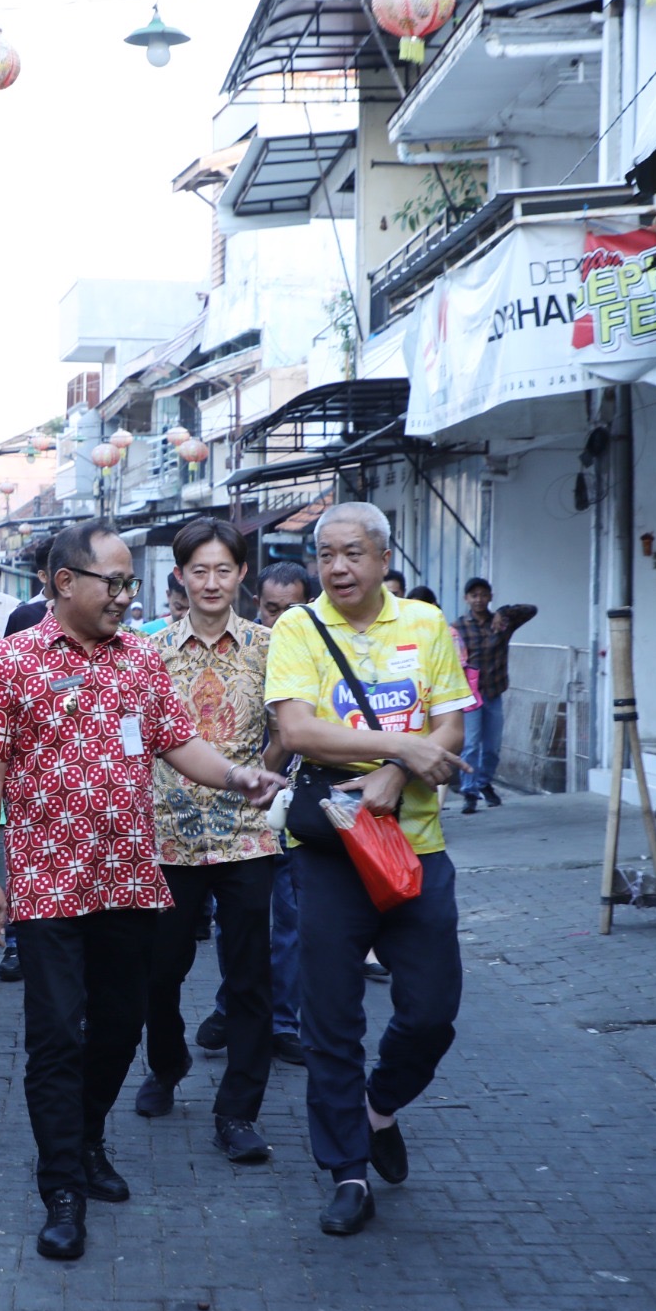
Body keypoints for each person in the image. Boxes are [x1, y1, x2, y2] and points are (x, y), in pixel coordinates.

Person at [0, 519, 285, 1262]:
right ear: (64, 582)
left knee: (117, 1029)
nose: (125, 596)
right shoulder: (11, 662)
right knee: (54, 1040)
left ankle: (89, 1137)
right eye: (114, 582)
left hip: (130, 880)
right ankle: (62, 1186)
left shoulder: (141, 658)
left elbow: (177, 741)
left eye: (128, 584)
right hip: (48, 885)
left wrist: (238, 775)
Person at [266, 502, 471, 1238]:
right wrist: (406, 750)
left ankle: (377, 1108)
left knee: (431, 1010)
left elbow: (450, 721)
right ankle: (346, 1170)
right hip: (330, 849)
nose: (338, 568)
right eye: (325, 555)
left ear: (384, 558)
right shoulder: (298, 627)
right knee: (331, 1018)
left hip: (416, 845)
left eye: (352, 553)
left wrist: (396, 768)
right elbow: (298, 730)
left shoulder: (424, 626)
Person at [135, 519, 284, 1165]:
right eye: (201, 570)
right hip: (168, 835)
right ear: (180, 576)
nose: (213, 582)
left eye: (225, 570)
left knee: (250, 979)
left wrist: (268, 773)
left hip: (248, 836)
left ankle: (238, 1111)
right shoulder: (151, 651)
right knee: (160, 973)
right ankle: (166, 1066)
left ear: (243, 575)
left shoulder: (269, 645)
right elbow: (131, 735)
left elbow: (290, 726)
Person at [197, 559, 312, 1067]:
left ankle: (281, 1020)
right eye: (272, 609)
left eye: (293, 609)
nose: (282, 620)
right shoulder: (248, 651)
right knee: (237, 920)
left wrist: (263, 776)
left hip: (300, 805)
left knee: (289, 918)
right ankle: (233, 1004)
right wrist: (249, 780)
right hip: (237, 807)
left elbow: (294, 734)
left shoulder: (313, 655)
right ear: (255, 603)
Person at [454, 576, 538, 813]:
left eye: (483, 595)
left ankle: (484, 783)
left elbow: (531, 610)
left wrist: (504, 612)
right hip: (470, 696)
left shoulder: (501, 623)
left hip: (493, 693)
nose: (479, 599)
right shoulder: (458, 627)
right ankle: (469, 792)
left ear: (490, 597)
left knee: (492, 746)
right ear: (466, 599)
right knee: (471, 745)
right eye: (474, 595)